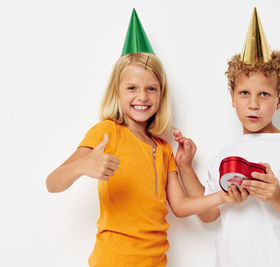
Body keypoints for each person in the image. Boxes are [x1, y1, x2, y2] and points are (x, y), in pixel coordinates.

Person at [46, 9, 243, 267]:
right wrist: (83, 166)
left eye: (151, 89)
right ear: (117, 92)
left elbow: (181, 206)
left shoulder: (163, 149)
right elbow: (53, 182)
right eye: (132, 88)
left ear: (161, 94)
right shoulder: (107, 132)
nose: (142, 97)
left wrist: (223, 197)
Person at [174, 8, 280, 267]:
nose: (253, 104)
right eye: (244, 93)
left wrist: (277, 195)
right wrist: (185, 167)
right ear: (232, 97)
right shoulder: (223, 156)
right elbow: (208, 214)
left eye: (264, 94)